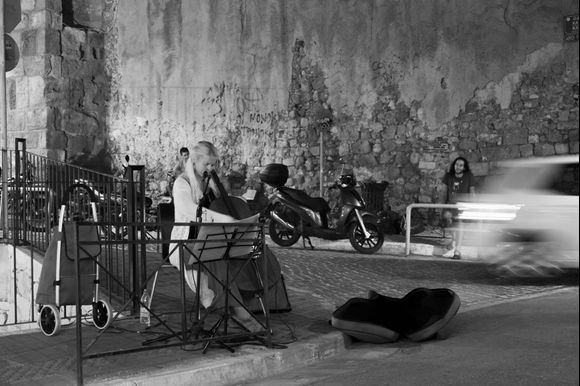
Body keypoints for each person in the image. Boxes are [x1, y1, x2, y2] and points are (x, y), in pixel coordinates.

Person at [168, 141, 263, 332]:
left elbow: (219, 206)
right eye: (207, 165)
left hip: (205, 242)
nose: (211, 168)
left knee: (223, 256)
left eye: (214, 164)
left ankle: (228, 309)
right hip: (182, 244)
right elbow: (190, 210)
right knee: (216, 258)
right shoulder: (181, 184)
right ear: (194, 162)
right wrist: (222, 217)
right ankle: (240, 313)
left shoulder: (209, 184)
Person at [440, 156, 475, 259]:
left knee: (459, 227)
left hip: (462, 207)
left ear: (464, 167)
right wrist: (441, 206)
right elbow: (443, 192)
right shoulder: (448, 176)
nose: (458, 167)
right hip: (450, 206)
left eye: (461, 165)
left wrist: (471, 206)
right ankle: (453, 244)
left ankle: (457, 250)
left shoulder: (469, 176)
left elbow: (472, 191)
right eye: (456, 164)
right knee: (449, 224)